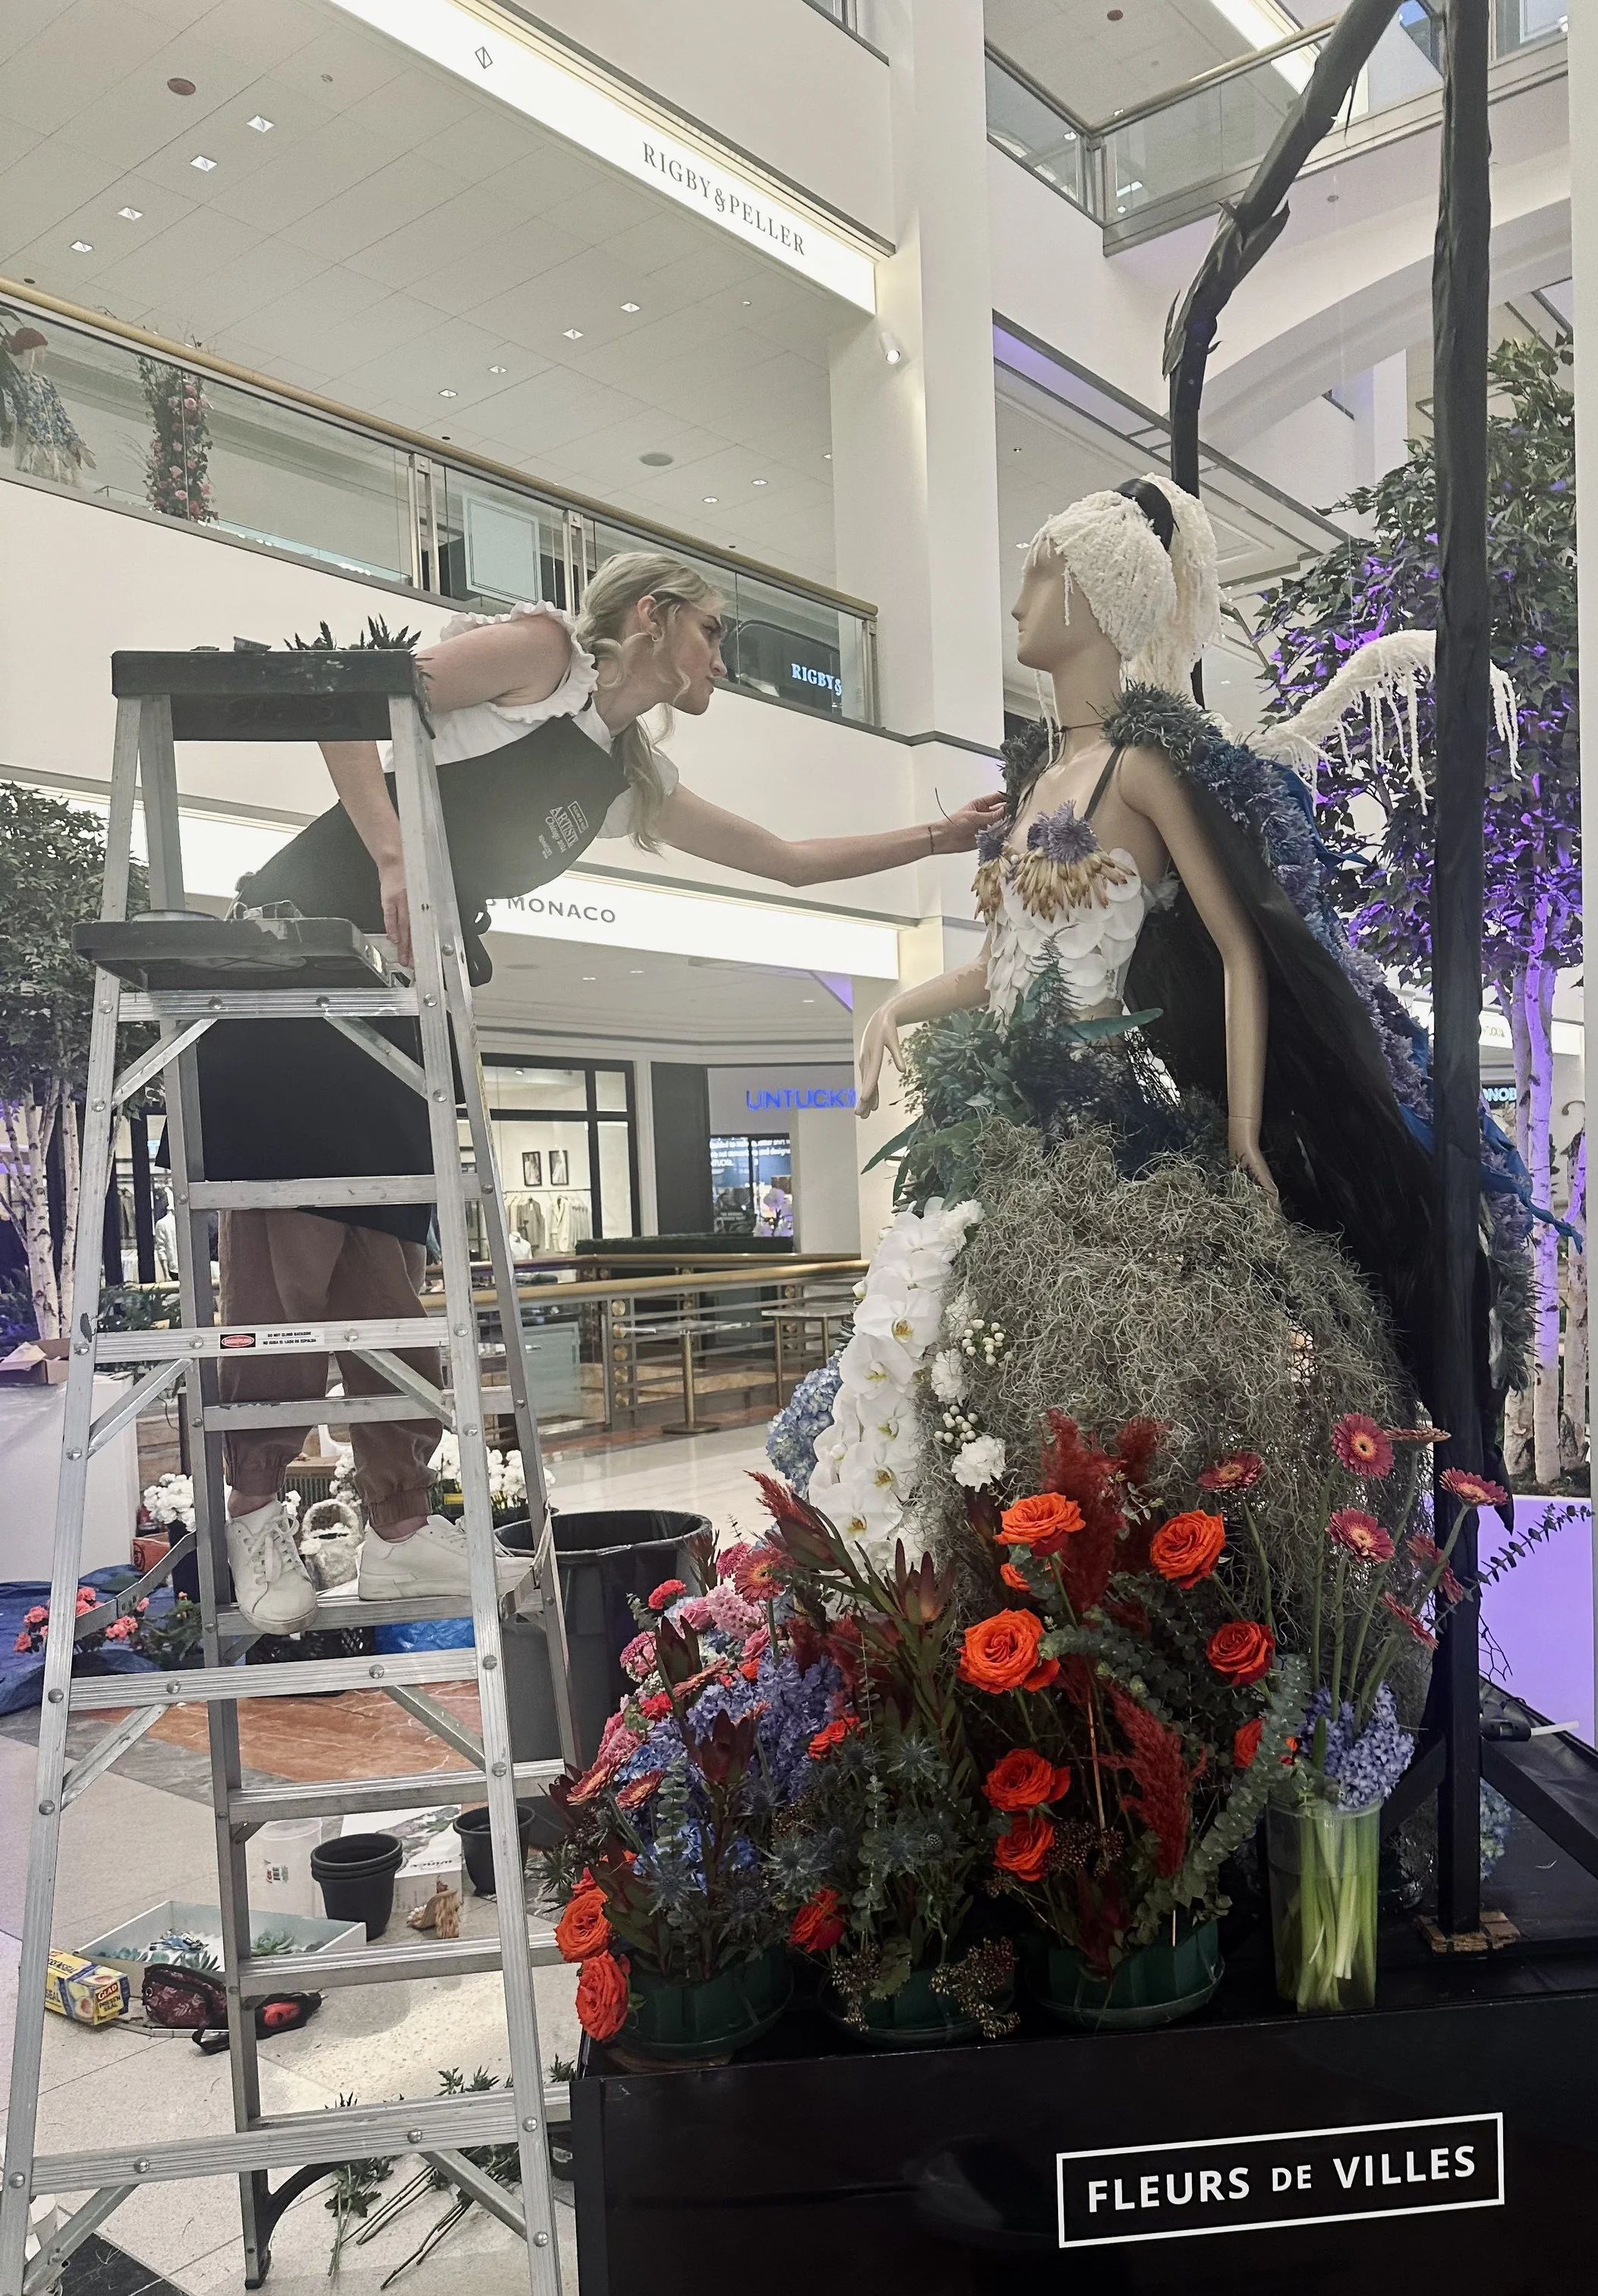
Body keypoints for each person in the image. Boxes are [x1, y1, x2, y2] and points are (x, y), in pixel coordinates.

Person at [204, 554, 1002, 1631]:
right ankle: (254, 1509)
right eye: (713, 629)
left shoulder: (622, 771)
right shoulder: (542, 652)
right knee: (284, 1271)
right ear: (650, 615)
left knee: (383, 1281)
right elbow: (349, 692)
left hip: (403, 991)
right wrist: (394, 858)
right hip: (300, 958)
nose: (722, 657)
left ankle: (395, 1527)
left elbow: (785, 859)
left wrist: (938, 838)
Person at [814, 473, 1509, 1559]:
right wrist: (901, 1002)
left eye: (1038, 574)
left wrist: (1240, 1132)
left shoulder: (1140, 772)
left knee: (1096, 1389)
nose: (1018, 601)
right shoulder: (1043, 777)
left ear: (1090, 596)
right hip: (995, 1142)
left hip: (1092, 1135)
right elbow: (1004, 972)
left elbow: (1240, 947)